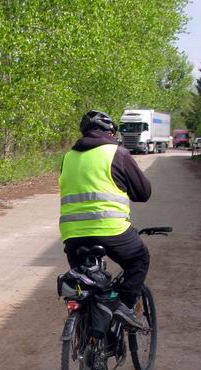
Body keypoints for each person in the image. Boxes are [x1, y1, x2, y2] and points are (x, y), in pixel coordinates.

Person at [59, 110, 152, 328]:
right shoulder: (116, 153)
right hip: (111, 230)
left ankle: (89, 345)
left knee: (86, 285)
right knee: (139, 259)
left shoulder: (68, 157)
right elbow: (143, 193)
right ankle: (125, 307)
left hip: (73, 235)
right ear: (110, 132)